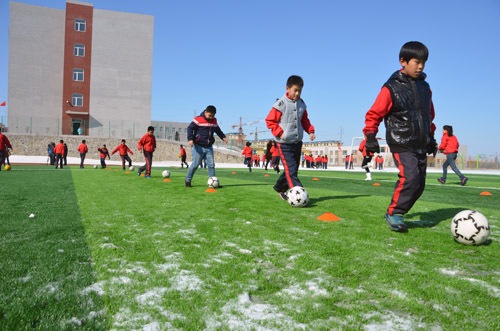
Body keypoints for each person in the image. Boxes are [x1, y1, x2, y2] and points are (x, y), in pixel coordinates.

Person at [363, 41, 437, 232]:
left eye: (424, 62)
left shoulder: (425, 87)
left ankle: (399, 210)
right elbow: (374, 113)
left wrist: (432, 137)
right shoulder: (391, 87)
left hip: (420, 142)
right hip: (401, 140)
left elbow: (429, 115)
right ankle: (395, 212)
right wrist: (370, 136)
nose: (420, 66)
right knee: (410, 177)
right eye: (416, 62)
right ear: (403, 61)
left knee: (419, 185)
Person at [266, 75, 315, 200]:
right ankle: (299, 196)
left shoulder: (302, 104)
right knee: (292, 170)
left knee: (292, 168)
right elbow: (270, 121)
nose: (297, 93)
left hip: (297, 142)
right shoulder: (280, 104)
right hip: (283, 143)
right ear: (287, 88)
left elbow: (305, 121)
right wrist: (280, 133)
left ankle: (280, 187)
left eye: (300, 91)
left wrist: (310, 131)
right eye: (295, 90)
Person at [185, 105, 228, 187]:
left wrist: (223, 137)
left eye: (213, 116)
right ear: (205, 112)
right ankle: (188, 180)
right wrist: (190, 139)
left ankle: (213, 182)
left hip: (209, 147)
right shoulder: (198, 119)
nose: (211, 118)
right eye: (209, 115)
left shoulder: (214, 120)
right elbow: (190, 128)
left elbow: (217, 129)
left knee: (211, 165)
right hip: (198, 146)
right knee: (195, 164)